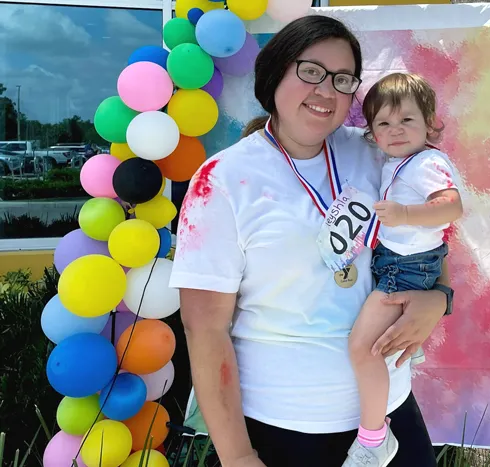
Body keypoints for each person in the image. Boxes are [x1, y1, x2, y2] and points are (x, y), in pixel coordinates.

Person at [170, 15, 455, 467]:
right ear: (276, 71)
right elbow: (204, 329)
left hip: (388, 418)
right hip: (284, 429)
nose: (327, 90)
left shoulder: (378, 150)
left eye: (342, 79)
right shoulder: (222, 180)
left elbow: (430, 234)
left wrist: (439, 295)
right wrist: (239, 456)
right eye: (311, 71)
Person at [343, 73, 463, 467]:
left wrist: (404, 214)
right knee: (375, 343)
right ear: (372, 132)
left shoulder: (426, 162)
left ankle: (375, 439)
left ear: (429, 124)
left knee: (363, 347)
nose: (395, 131)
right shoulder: (399, 162)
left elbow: (451, 207)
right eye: (383, 123)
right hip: (397, 263)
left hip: (406, 271)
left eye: (406, 121)